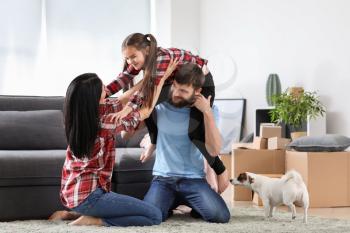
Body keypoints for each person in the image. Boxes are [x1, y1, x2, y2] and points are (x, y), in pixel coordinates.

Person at [49, 59, 177, 227]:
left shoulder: (82, 116)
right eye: (103, 89)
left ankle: (72, 214)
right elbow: (145, 111)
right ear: (93, 98)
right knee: (155, 215)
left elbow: (123, 99)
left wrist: (147, 79)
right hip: (91, 196)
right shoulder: (104, 123)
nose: (107, 90)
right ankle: (94, 219)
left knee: (147, 212)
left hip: (74, 194)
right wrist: (161, 78)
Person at [106, 33, 226, 176]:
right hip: (176, 82)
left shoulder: (160, 59)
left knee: (194, 132)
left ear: (147, 50)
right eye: (127, 58)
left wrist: (126, 110)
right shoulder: (140, 60)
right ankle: (153, 141)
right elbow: (123, 78)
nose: (130, 61)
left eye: (133, 57)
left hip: (201, 82)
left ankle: (219, 169)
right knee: (147, 107)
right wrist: (104, 92)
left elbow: (145, 90)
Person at [140, 63, 230, 223]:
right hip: (163, 179)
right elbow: (143, 106)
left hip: (193, 179)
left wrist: (207, 112)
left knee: (220, 216)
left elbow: (214, 149)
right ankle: (171, 203)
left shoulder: (209, 110)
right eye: (175, 87)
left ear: (197, 91)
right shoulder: (161, 106)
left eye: (183, 91)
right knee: (151, 216)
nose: (176, 94)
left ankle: (188, 203)